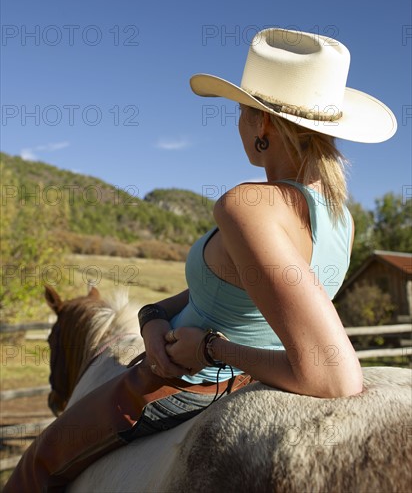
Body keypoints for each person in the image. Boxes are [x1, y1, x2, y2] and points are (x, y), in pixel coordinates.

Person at [5, 27, 397, 491]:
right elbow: (233, 295)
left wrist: (209, 348)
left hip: (193, 381)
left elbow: (332, 375)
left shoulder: (248, 205)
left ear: (263, 125)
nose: (238, 124)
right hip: (199, 358)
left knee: (36, 464)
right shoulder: (340, 218)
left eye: (241, 112)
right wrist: (152, 318)